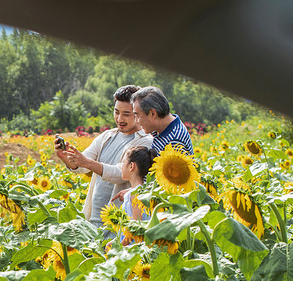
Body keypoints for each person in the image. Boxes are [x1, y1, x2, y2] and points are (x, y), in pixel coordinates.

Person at [56, 85, 153, 228]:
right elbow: (82, 165)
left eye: (126, 114)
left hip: (119, 221)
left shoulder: (144, 141)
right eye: (116, 112)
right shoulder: (107, 136)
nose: (120, 119)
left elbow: (121, 173)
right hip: (94, 217)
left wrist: (87, 163)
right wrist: (67, 158)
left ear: (138, 112)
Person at [130, 86, 194, 155]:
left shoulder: (174, 143)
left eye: (137, 115)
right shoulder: (160, 128)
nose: (136, 121)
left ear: (153, 113)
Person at [119, 146, 156, 221]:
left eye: (123, 162)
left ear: (131, 166)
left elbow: (137, 227)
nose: (121, 166)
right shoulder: (145, 192)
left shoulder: (135, 195)